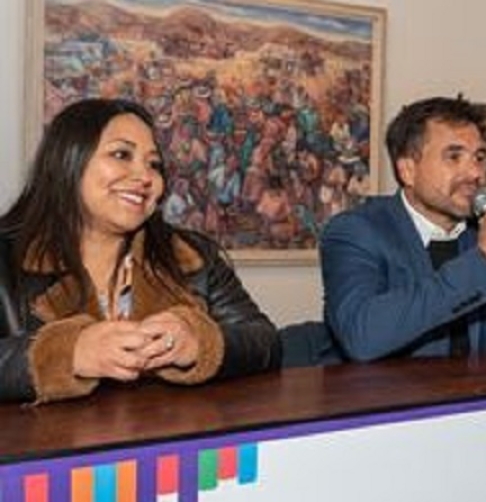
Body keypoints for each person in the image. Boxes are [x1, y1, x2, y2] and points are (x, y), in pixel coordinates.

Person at [0, 98, 281, 403]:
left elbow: (265, 343)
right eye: (122, 154)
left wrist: (199, 342)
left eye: (153, 164)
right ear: (68, 160)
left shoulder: (192, 256)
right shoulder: (6, 259)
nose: (145, 177)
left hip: (170, 434)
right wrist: (68, 354)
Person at [320, 96, 486, 361]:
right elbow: (362, 336)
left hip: (478, 387)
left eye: (479, 157)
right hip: (388, 389)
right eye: (454, 157)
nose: (475, 173)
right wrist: (483, 261)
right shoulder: (355, 231)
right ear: (408, 170)